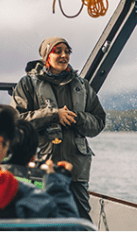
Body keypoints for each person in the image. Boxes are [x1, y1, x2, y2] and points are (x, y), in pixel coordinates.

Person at [10, 36, 106, 220]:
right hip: (40, 167)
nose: (64, 55)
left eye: (67, 51)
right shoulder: (27, 84)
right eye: (58, 51)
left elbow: (99, 122)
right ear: (46, 55)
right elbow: (16, 122)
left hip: (76, 170)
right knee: (40, 218)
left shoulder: (83, 86)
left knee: (81, 220)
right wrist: (53, 115)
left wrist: (79, 118)